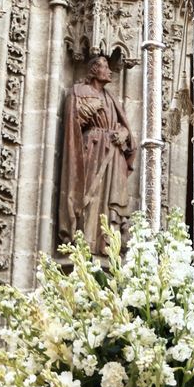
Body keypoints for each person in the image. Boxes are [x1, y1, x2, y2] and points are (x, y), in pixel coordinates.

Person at [60, 55, 137, 252]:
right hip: (92, 150)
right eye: (105, 67)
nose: (110, 71)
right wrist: (89, 108)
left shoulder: (111, 97)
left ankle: (107, 243)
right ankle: (85, 241)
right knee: (90, 195)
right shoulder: (79, 91)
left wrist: (123, 133)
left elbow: (122, 124)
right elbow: (73, 120)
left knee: (111, 198)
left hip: (113, 153)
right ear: (94, 70)